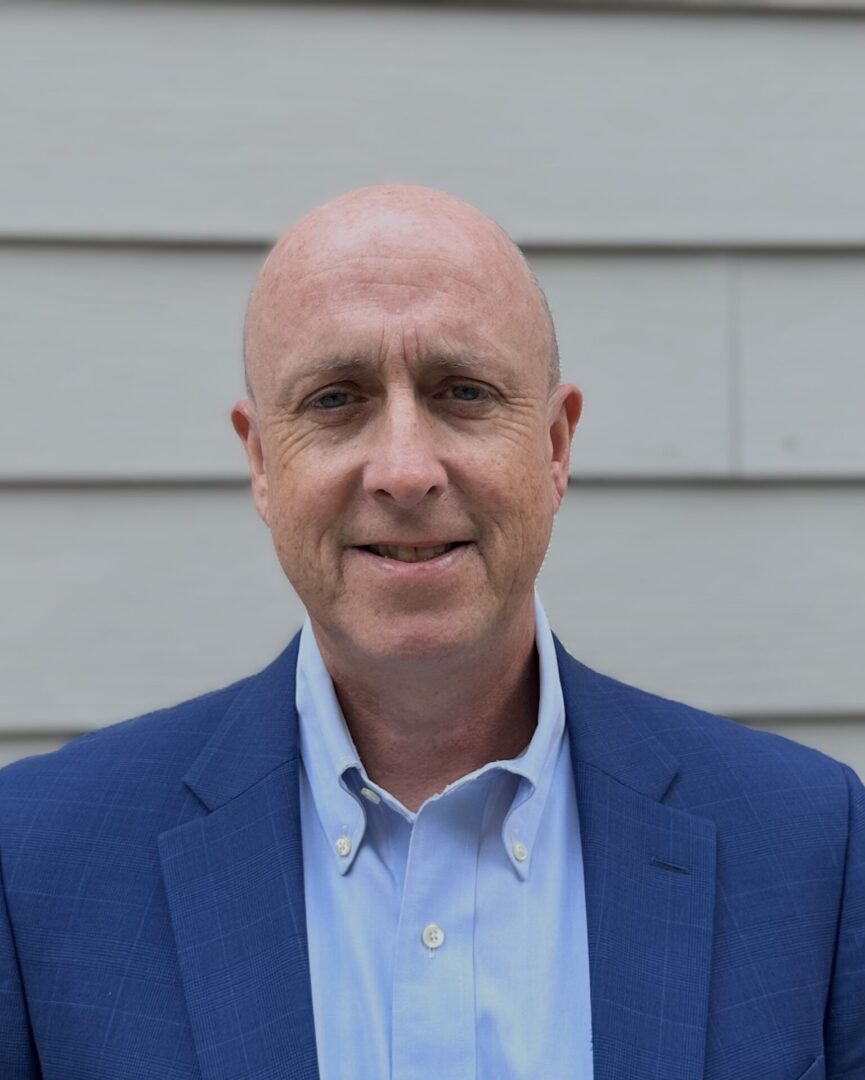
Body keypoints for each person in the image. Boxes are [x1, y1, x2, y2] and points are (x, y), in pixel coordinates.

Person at [0, 185, 862, 1080]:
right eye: (335, 400)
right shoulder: (38, 865)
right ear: (261, 461)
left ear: (556, 446)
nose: (405, 471)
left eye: (464, 392)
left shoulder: (808, 847)